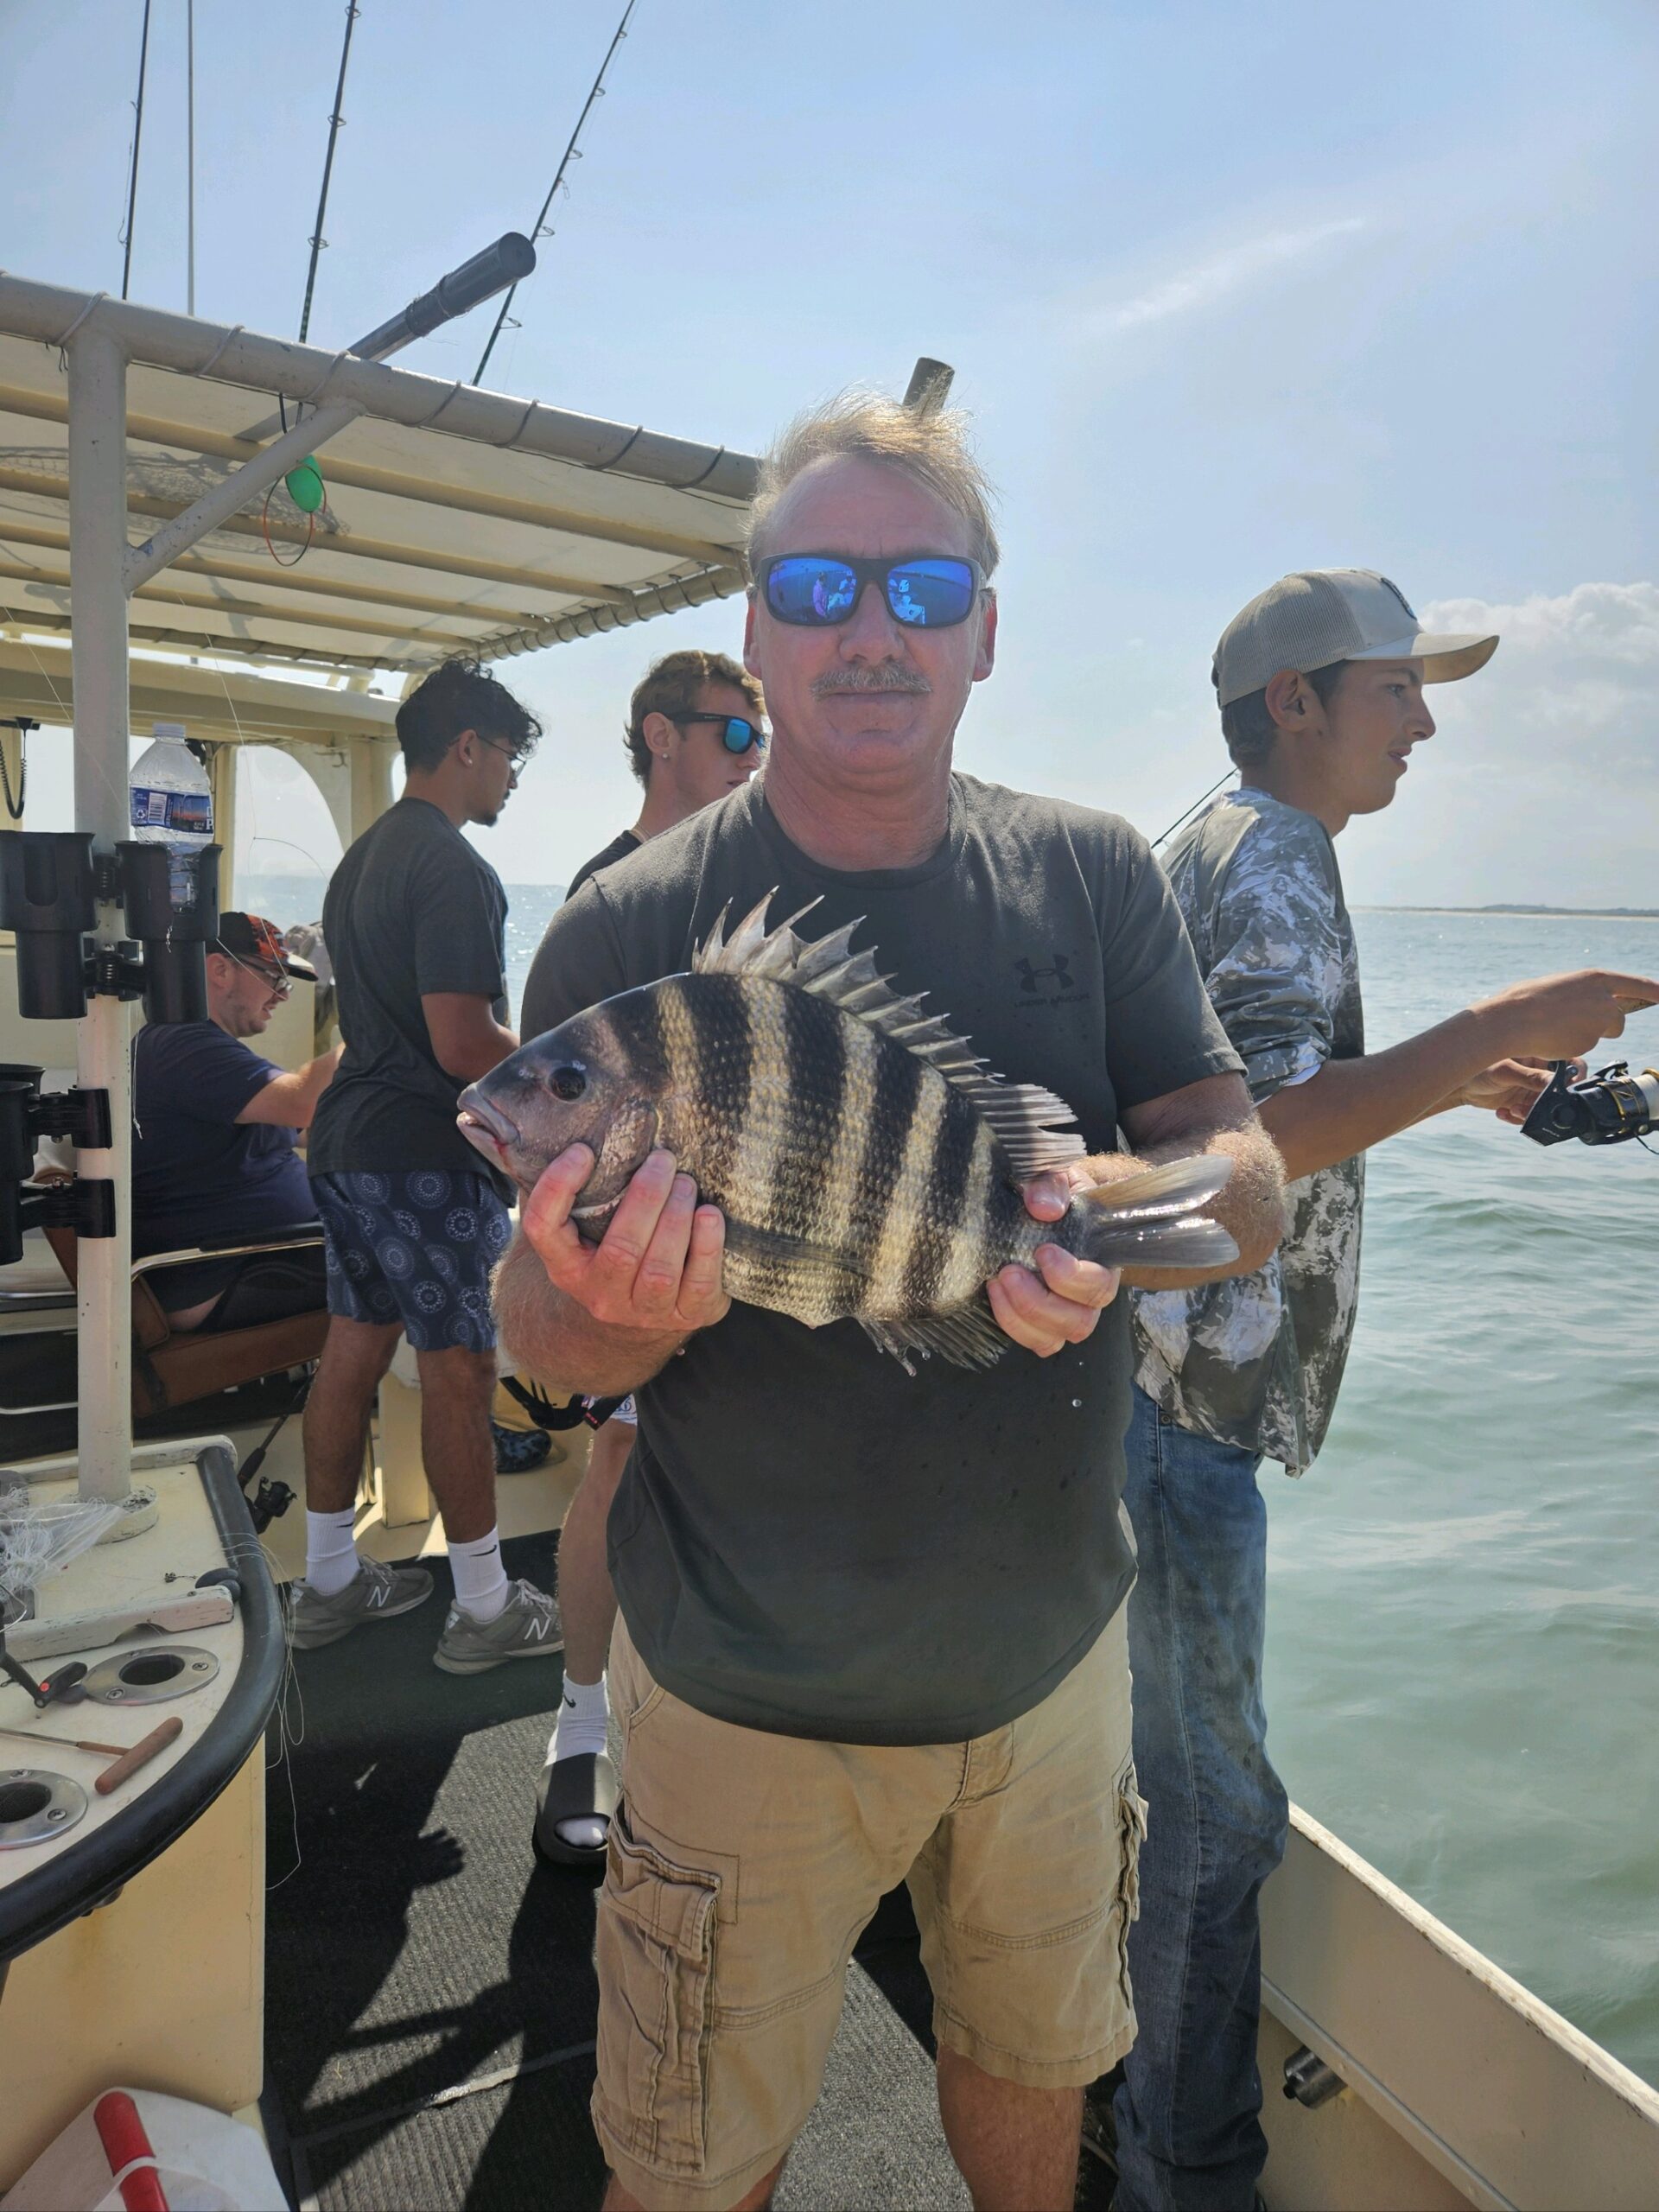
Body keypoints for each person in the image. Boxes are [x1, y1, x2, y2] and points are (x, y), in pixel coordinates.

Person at [496, 392, 1287, 2212]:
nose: (875, 625)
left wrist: (1123, 1221)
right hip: (738, 1699)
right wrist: (618, 1311)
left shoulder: (1090, 875)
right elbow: (529, 1330)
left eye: (926, 583)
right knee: (694, 2168)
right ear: (758, 624)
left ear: (987, 628)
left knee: (1030, 2092)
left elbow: (1236, 1167)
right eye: (822, 581)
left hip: (1052, 1672)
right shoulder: (631, 924)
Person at [1112, 567, 1659, 2212]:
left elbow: (1212, 1111)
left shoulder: (1206, 839)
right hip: (1184, 1412)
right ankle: (1185, 2178)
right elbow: (1248, 1144)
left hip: (1127, 1391)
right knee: (1218, 1826)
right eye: (1396, 690)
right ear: (1297, 702)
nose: (1425, 723)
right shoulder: (1275, 858)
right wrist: (1503, 1016)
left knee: (1180, 1798)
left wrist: (1454, 1087)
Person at [533, 646, 766, 1867]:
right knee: (616, 1460)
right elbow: (552, 1112)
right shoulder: (611, 897)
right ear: (659, 735)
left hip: (758, 1256)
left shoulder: (758, 886)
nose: (753, 756)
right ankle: (577, 1727)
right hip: (633, 1257)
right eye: (734, 734)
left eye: (758, 737)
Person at [289, 657, 563, 1670]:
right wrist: (566, 1075)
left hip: (346, 1143)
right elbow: (460, 1042)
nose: (509, 781)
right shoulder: (452, 867)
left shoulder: (360, 860)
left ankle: (327, 1582)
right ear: (468, 747)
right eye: (507, 760)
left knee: (352, 1352)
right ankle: (486, 1609)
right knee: (462, 1370)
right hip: (420, 1157)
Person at [130, 912, 338, 1331]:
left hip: (253, 1257)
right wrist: (379, 1022)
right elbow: (302, 1103)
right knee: (423, 1261)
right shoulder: (183, 1043)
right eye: (273, 977)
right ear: (220, 970)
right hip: (222, 1273)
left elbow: (305, 1127)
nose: (282, 995)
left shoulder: (202, 1048)